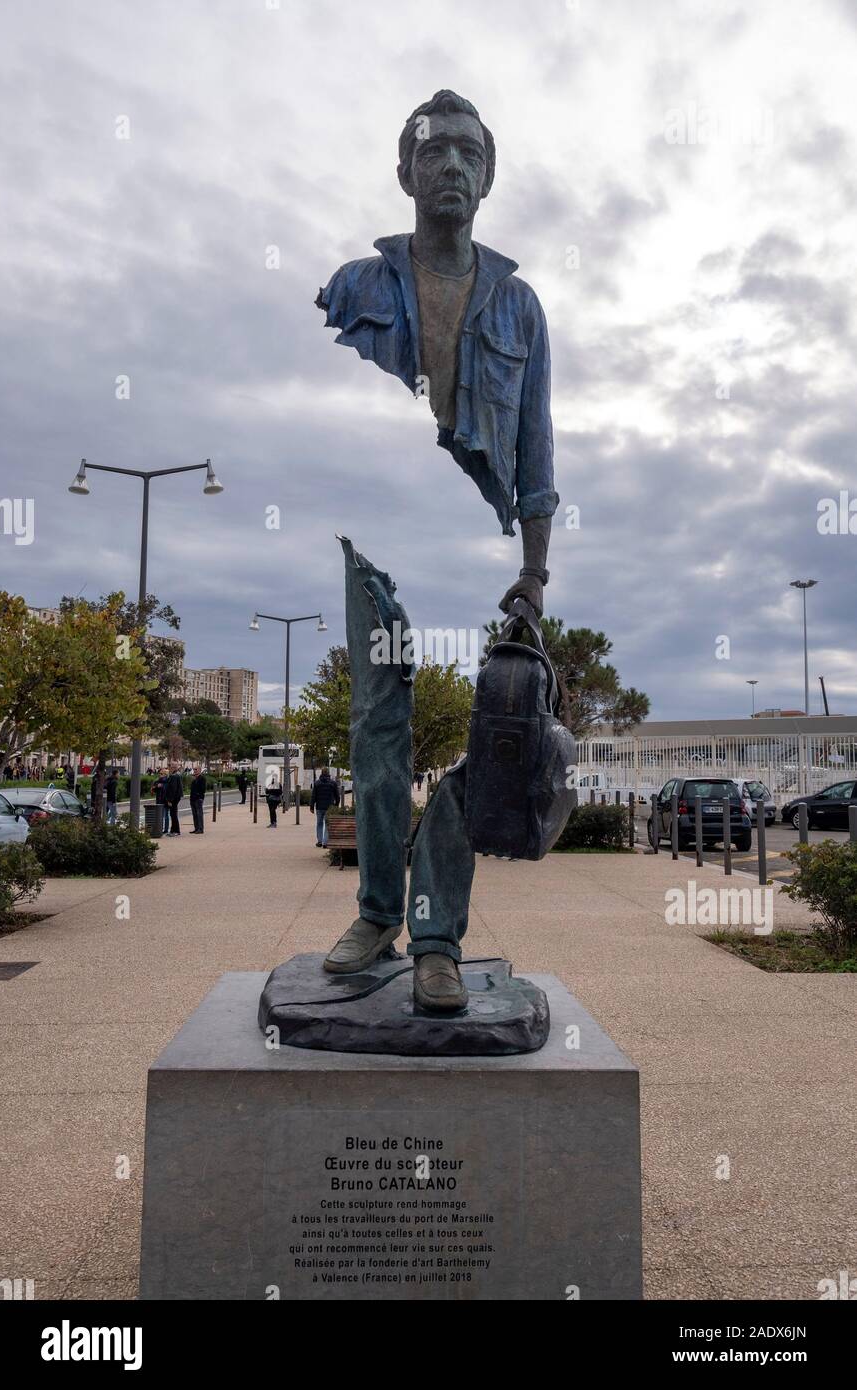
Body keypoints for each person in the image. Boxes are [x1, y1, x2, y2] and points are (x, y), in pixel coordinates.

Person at [316, 91, 557, 1011]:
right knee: (375, 734)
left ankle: (436, 938)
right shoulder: (356, 287)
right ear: (405, 171)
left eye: (468, 152)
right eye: (434, 150)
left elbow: (535, 444)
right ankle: (377, 911)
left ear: (487, 177)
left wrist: (534, 571)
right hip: (375, 540)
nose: (450, 164)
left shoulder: (520, 306)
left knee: (475, 751)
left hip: (474, 542)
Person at [310, 767, 340, 847]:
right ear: (328, 773)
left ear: (321, 773)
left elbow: (313, 796)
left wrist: (312, 807)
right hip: (329, 807)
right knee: (327, 824)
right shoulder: (333, 783)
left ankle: (319, 841)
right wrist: (336, 805)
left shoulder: (317, 783)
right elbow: (337, 796)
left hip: (319, 807)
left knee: (319, 824)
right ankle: (325, 842)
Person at [165, 764, 184, 836]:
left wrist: (170, 800)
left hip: (174, 798)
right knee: (173, 814)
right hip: (176, 797)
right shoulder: (177, 775)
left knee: (173, 814)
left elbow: (173, 789)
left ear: (174, 768)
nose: (169, 768)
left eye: (170, 767)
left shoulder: (174, 776)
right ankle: (173, 830)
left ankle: (175, 831)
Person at [189, 765, 206, 834]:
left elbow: (203, 789)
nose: (194, 770)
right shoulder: (194, 779)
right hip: (192, 799)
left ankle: (200, 829)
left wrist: (198, 796)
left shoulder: (202, 778)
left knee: (199, 814)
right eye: (194, 769)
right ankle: (196, 828)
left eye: (196, 769)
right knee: (194, 814)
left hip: (198, 799)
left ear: (199, 770)